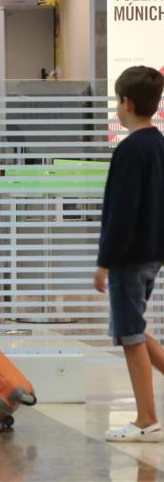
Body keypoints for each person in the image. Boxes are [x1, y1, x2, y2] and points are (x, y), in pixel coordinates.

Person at [95, 66, 164, 443]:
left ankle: (146, 420)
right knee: (134, 327)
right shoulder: (159, 145)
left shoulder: (129, 150)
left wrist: (104, 262)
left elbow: (121, 214)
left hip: (128, 258)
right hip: (152, 255)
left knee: (131, 335)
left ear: (127, 103)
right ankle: (146, 417)